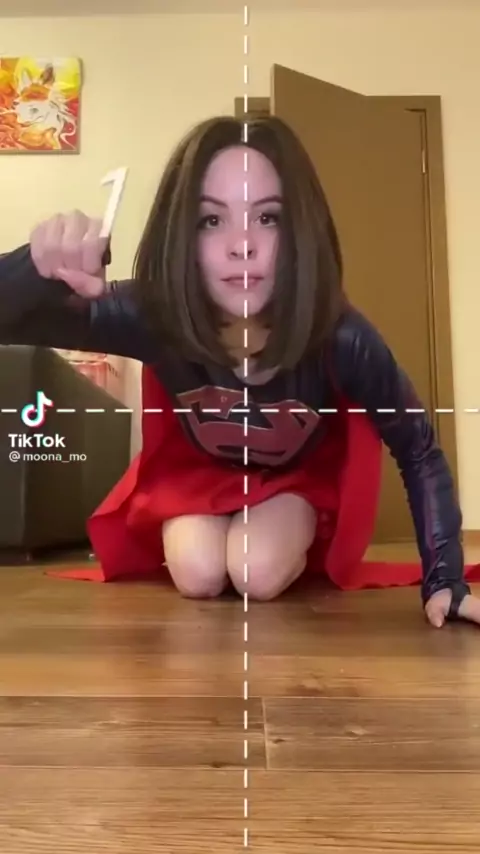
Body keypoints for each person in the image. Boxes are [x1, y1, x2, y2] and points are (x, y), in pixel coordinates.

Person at [0, 114, 478, 629]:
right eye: (212, 220)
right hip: (197, 476)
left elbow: (417, 447)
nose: (241, 244)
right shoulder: (151, 314)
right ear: (181, 236)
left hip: (292, 483)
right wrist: (35, 268)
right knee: (199, 574)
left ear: (302, 231)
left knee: (257, 571)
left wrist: (445, 580)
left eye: (267, 217)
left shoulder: (344, 337)